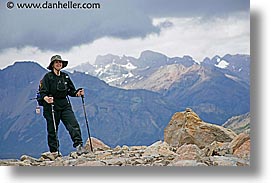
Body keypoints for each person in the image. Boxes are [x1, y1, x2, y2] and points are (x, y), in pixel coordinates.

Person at [40, 55, 87, 156]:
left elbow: (71, 91)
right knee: (52, 129)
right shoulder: (48, 77)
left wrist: (77, 93)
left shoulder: (65, 76)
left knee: (73, 125)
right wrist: (46, 99)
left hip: (65, 105)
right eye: (56, 62)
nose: (58, 64)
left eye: (60, 62)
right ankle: (54, 152)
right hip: (51, 106)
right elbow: (42, 92)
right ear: (52, 65)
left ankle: (79, 146)